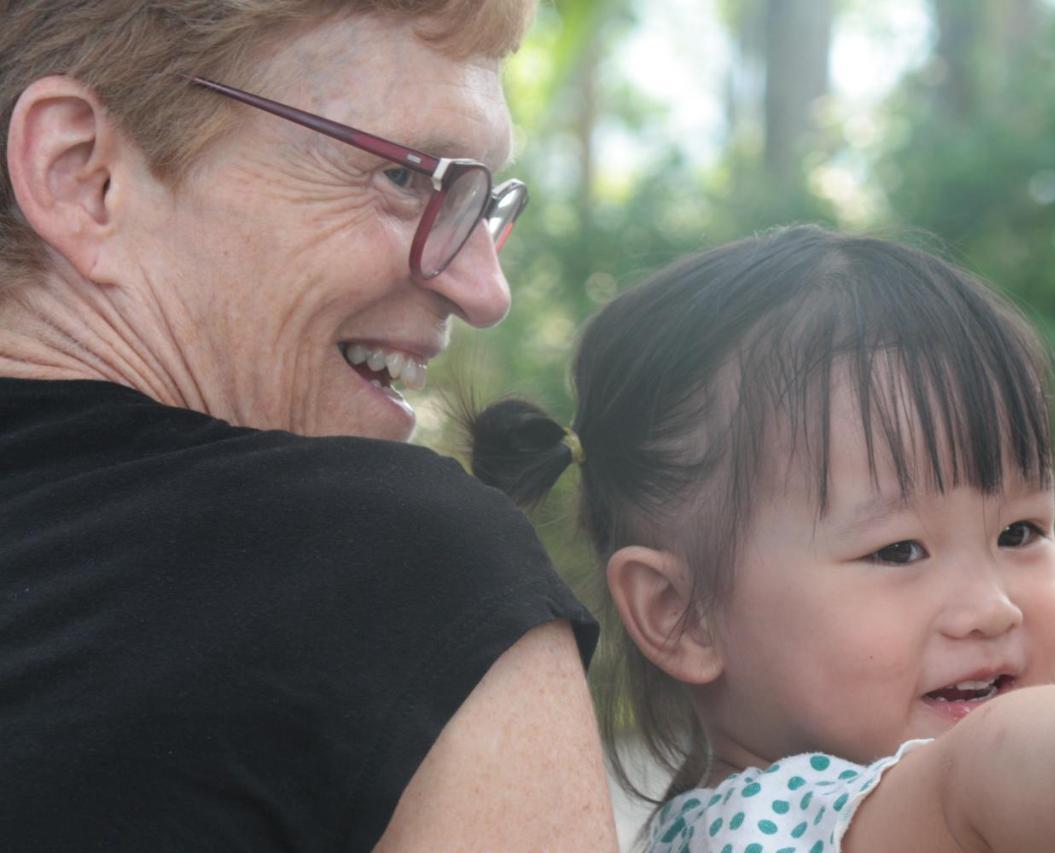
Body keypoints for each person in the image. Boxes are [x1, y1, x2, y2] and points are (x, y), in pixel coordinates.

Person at [0, 2, 617, 850]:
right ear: (83, 172)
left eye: (479, 203)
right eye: (409, 178)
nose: (484, 288)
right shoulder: (410, 572)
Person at [466, 224, 1055, 852]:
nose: (992, 607)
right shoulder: (764, 826)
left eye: (1020, 530)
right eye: (898, 550)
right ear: (683, 613)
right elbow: (981, 774)